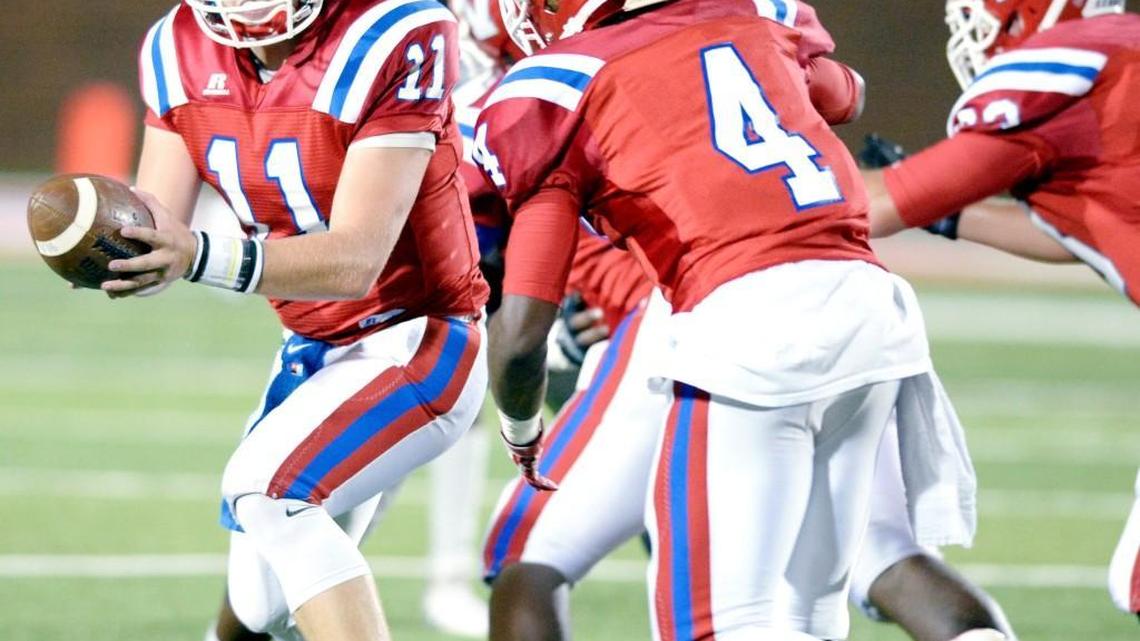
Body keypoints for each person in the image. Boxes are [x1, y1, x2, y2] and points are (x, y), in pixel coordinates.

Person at [471, 0, 979, 639]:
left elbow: (519, 336)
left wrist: (521, 430)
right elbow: (845, 92)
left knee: (713, 624)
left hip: (741, 320)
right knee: (807, 615)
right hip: (870, 308)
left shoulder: (555, 87)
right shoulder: (752, 15)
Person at [109, 1, 490, 640]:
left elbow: (356, 262)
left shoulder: (389, 32)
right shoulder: (175, 46)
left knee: (269, 493)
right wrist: (106, 242)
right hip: (310, 348)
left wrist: (197, 254)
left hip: (415, 335)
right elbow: (157, 230)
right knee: (261, 606)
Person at [859, 0, 1140, 620]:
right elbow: (1090, 228)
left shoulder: (1064, 64)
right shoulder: (1123, 56)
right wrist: (951, 214)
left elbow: (873, 209)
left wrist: (760, 187)